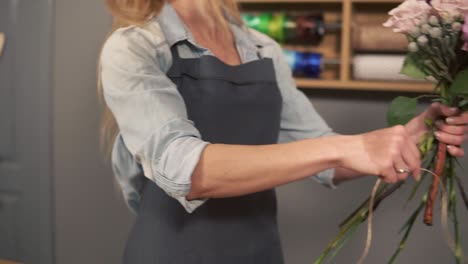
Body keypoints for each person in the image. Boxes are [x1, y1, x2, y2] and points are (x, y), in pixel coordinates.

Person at [99, 0, 468, 263]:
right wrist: (344, 148)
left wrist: (414, 134)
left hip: (260, 253)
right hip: (172, 254)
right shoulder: (134, 47)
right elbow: (188, 171)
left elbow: (322, 156)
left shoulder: (263, 50)